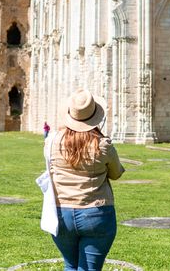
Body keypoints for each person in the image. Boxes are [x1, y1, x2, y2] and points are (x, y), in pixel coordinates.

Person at [44, 89, 124, 271]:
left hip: (61, 212)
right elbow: (116, 173)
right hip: (95, 212)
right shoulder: (103, 145)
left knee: (70, 265)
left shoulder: (52, 141)